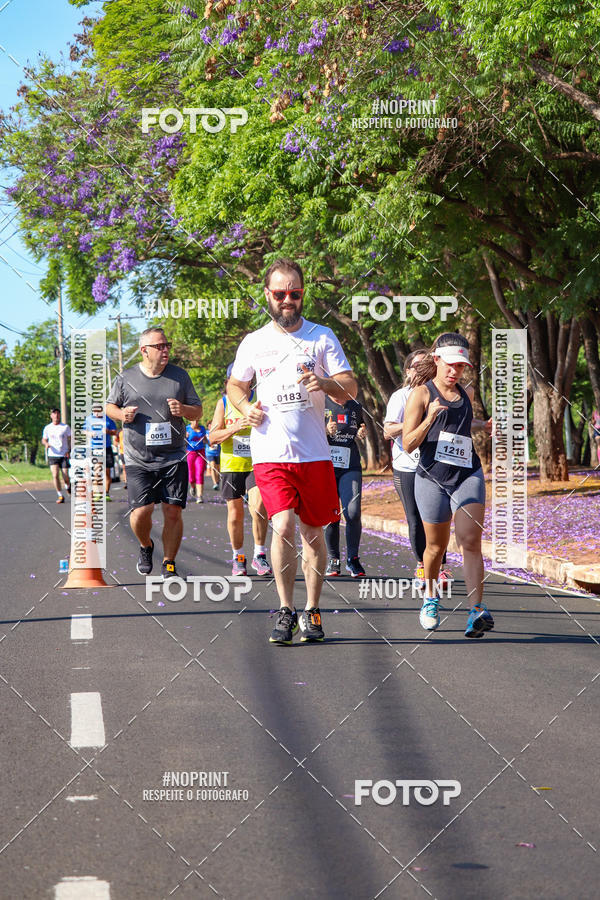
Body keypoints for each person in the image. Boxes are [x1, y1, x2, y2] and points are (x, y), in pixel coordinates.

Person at [227, 257, 357, 644]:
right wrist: (244, 406)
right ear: (267, 294)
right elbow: (236, 386)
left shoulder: (322, 336)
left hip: (315, 454)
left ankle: (312, 611)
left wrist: (325, 383)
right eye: (280, 293)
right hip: (270, 454)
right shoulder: (254, 342)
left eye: (294, 293)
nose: (287, 299)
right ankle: (286, 609)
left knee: (313, 533)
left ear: (303, 295)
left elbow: (349, 387)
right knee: (282, 525)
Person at [402, 332, 494, 638]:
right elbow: (407, 443)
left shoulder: (465, 393)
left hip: (468, 474)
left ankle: (476, 611)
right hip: (431, 477)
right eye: (451, 365)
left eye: (462, 366)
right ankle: (430, 599)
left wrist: (484, 426)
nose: (456, 371)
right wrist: (428, 419)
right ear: (437, 360)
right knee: (435, 547)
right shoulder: (421, 395)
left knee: (470, 540)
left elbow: (461, 427)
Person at [106, 327, 203, 579]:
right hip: (138, 458)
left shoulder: (179, 377)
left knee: (173, 511)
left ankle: (169, 562)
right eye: (159, 346)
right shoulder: (126, 377)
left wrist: (183, 409)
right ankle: (145, 545)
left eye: (166, 345)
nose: (165, 349)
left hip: (173, 456)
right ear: (144, 350)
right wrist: (121, 415)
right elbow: (109, 406)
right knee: (141, 511)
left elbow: (197, 411)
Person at [384, 351, 452, 586]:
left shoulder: (440, 395)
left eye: (427, 364)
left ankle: (441, 567)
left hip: (436, 465)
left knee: (438, 517)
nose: (422, 369)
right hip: (407, 467)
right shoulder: (400, 396)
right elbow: (387, 431)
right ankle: (422, 566)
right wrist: (416, 420)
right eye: (417, 365)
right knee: (415, 519)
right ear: (408, 371)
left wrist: (481, 425)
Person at [209, 363, 272, 577]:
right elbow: (213, 437)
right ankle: (238, 558)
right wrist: (236, 426)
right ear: (229, 382)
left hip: (257, 463)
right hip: (231, 465)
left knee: (259, 507)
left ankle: (260, 554)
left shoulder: (262, 397)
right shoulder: (224, 403)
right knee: (235, 514)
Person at [324, 398, 367, 577]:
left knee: (353, 511)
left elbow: (361, 425)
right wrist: (325, 431)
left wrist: (361, 432)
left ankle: (353, 559)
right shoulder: (321, 402)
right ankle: (334, 560)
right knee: (331, 514)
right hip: (326, 465)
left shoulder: (356, 405)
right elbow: (307, 433)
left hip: (351, 465)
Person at [83, 402, 118, 501]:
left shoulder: (107, 419)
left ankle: (106, 493)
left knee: (107, 472)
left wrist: (108, 431)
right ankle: (97, 493)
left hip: (106, 448)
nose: (96, 412)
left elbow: (115, 431)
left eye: (98, 410)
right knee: (97, 471)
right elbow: (84, 430)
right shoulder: (89, 419)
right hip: (95, 448)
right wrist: (89, 433)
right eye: (95, 410)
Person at [42, 408, 71, 503]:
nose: (56, 416)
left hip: (64, 454)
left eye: (58, 414)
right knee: (55, 475)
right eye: (54, 414)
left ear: (60, 415)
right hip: (53, 454)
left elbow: (70, 439)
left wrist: (69, 450)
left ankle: (68, 486)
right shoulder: (47, 428)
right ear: (51, 416)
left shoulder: (65, 427)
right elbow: (44, 439)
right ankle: (60, 495)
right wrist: (46, 444)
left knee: (65, 475)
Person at [186, 418, 207, 503]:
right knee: (191, 475)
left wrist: (210, 444)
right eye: (193, 420)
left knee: (200, 472)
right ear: (190, 420)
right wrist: (184, 436)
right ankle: (193, 486)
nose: (195, 422)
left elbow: (205, 439)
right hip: (190, 452)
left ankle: (199, 496)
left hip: (200, 452)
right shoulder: (187, 429)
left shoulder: (202, 429)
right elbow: (181, 440)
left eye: (197, 420)